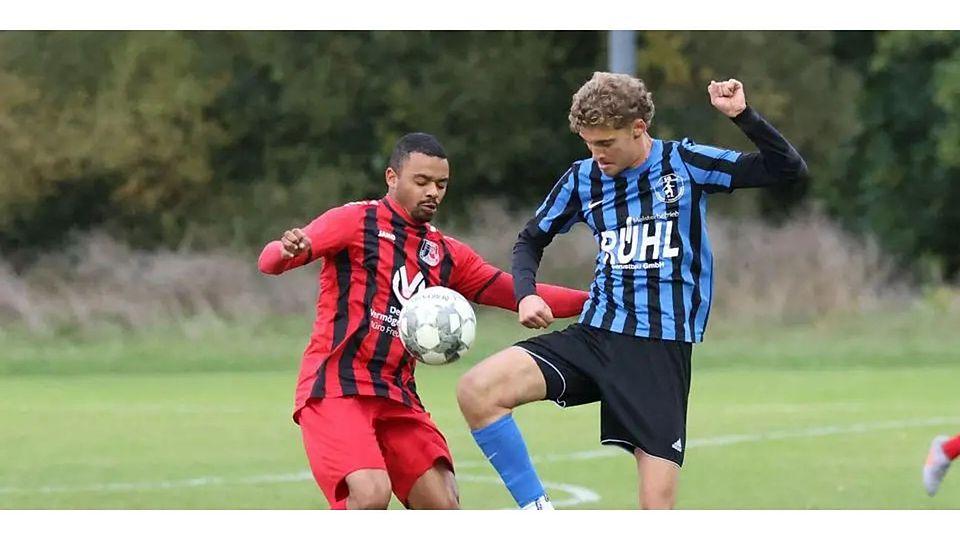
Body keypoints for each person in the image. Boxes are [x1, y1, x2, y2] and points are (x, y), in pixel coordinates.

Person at [456, 72, 809, 509]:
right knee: (477, 390)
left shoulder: (684, 163)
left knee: (654, 511)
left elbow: (787, 170)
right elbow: (531, 239)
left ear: (638, 128)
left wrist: (743, 116)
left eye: (606, 144)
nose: (596, 154)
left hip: (658, 350)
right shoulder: (582, 179)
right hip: (596, 336)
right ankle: (539, 513)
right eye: (589, 143)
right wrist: (526, 292)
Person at [258, 132, 589, 510]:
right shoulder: (355, 221)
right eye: (422, 181)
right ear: (391, 177)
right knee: (369, 494)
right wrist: (285, 251)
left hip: (397, 395)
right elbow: (269, 263)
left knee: (442, 505)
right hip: (338, 387)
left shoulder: (446, 253)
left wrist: (597, 300)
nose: (432, 191)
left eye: (441, 184)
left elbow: (514, 291)